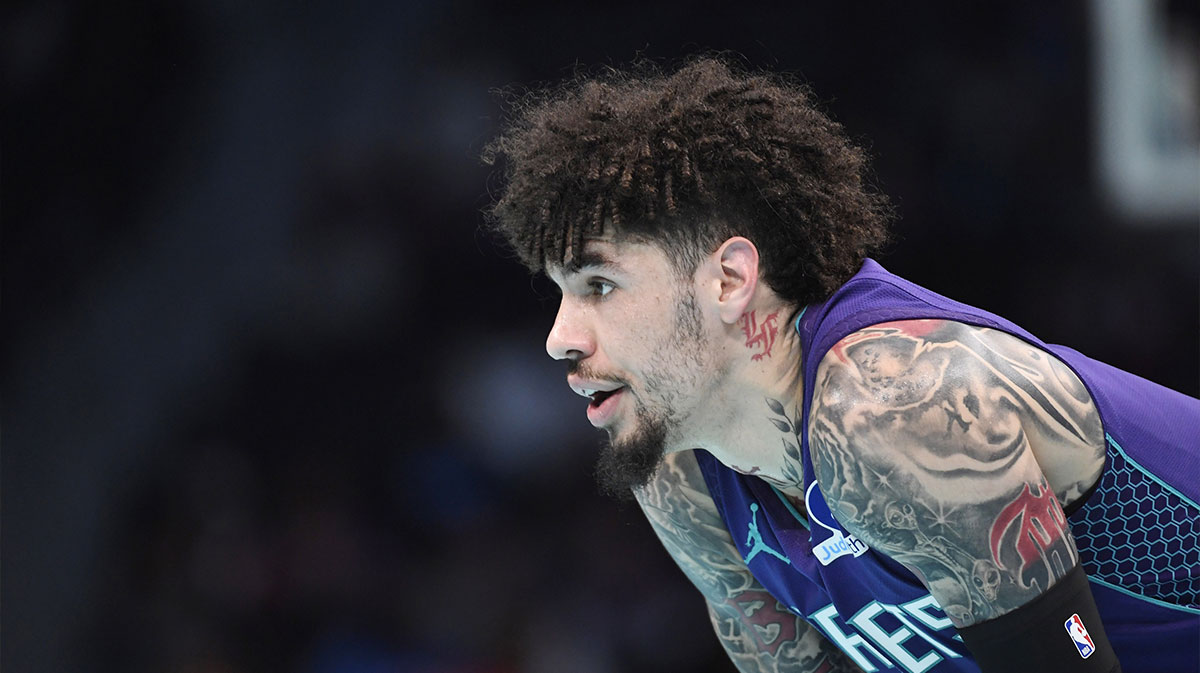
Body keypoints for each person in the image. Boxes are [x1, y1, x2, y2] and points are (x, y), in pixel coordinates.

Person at [482, 57, 1200, 672]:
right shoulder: (682, 477)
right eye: (559, 293)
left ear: (728, 281)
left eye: (598, 285)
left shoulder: (897, 404)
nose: (559, 336)